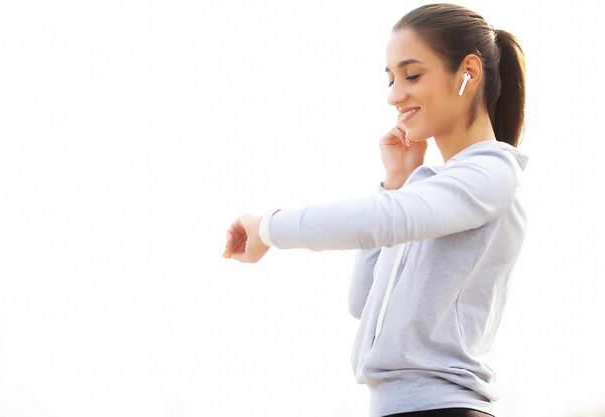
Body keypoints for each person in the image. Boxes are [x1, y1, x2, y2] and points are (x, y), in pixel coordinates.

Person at [222, 3, 527, 417]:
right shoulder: (437, 189)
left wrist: (269, 229)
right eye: (390, 79)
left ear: (468, 73)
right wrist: (395, 183)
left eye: (412, 74)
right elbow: (363, 300)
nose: (393, 95)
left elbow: (385, 222)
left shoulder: (491, 173)